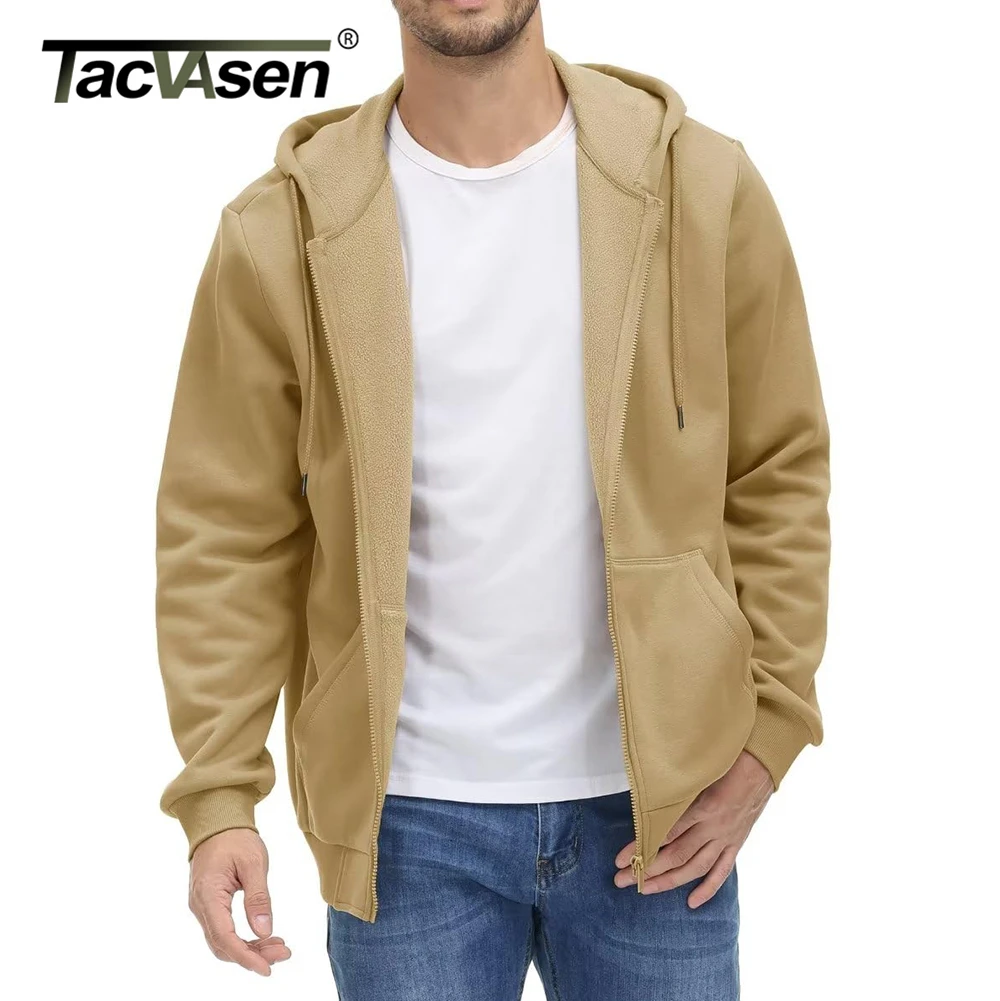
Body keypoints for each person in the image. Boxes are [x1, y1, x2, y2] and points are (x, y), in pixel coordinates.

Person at [155, 1, 831, 997]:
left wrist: (768, 738)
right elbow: (225, 528)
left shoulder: (701, 185)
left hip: (662, 812)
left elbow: (778, 470)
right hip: (405, 828)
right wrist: (218, 796)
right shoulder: (282, 229)